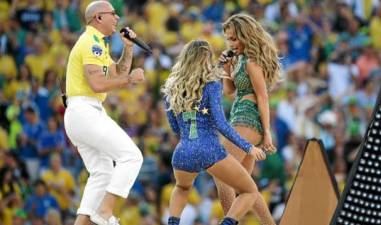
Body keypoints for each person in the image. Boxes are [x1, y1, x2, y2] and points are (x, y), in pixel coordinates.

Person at [162, 39, 267, 225]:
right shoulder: (211, 86)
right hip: (210, 149)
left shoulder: (172, 88)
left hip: (183, 151)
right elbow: (221, 124)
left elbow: (174, 127)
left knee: (182, 187)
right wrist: (248, 147)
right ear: (206, 60)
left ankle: (172, 223)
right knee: (249, 191)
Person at [63, 1, 144, 225]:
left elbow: (117, 71)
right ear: (99, 17)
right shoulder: (91, 42)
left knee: (102, 172)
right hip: (85, 110)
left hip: (82, 113)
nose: (117, 18)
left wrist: (128, 48)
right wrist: (129, 80)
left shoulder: (97, 42)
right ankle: (105, 212)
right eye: (113, 14)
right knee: (132, 156)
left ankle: (83, 221)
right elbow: (99, 84)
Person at [215, 13, 280, 225]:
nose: (230, 43)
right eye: (228, 39)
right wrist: (225, 69)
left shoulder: (252, 62)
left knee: (221, 170)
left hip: (248, 118)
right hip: (239, 116)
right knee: (245, 186)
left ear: (246, 36)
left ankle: (230, 221)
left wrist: (267, 132)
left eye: (234, 38)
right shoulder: (240, 60)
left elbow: (262, 96)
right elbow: (229, 91)